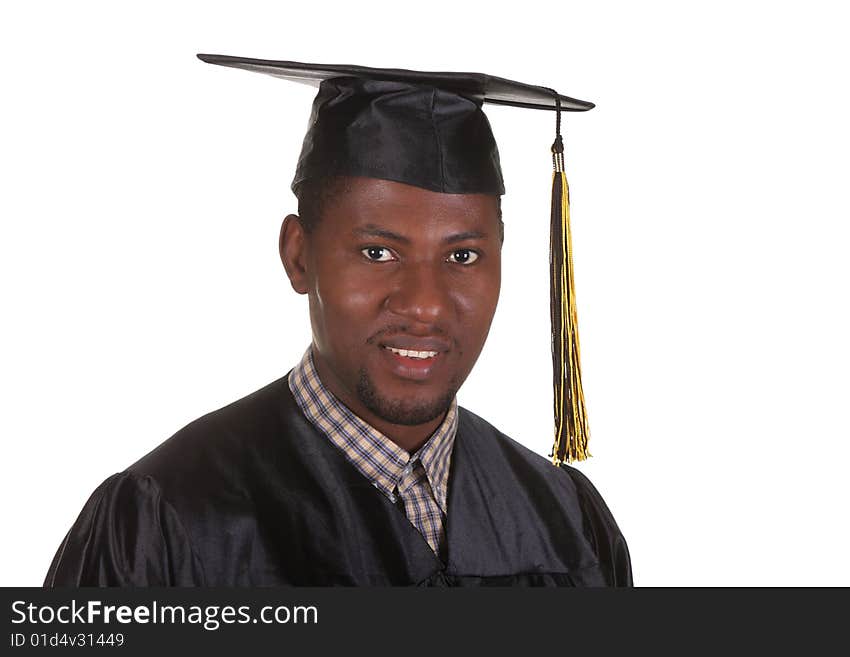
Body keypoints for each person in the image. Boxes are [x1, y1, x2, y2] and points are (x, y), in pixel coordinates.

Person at [44, 55, 633, 587]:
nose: (425, 304)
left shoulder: (565, 521)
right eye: (378, 252)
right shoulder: (168, 520)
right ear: (299, 256)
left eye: (463, 256)